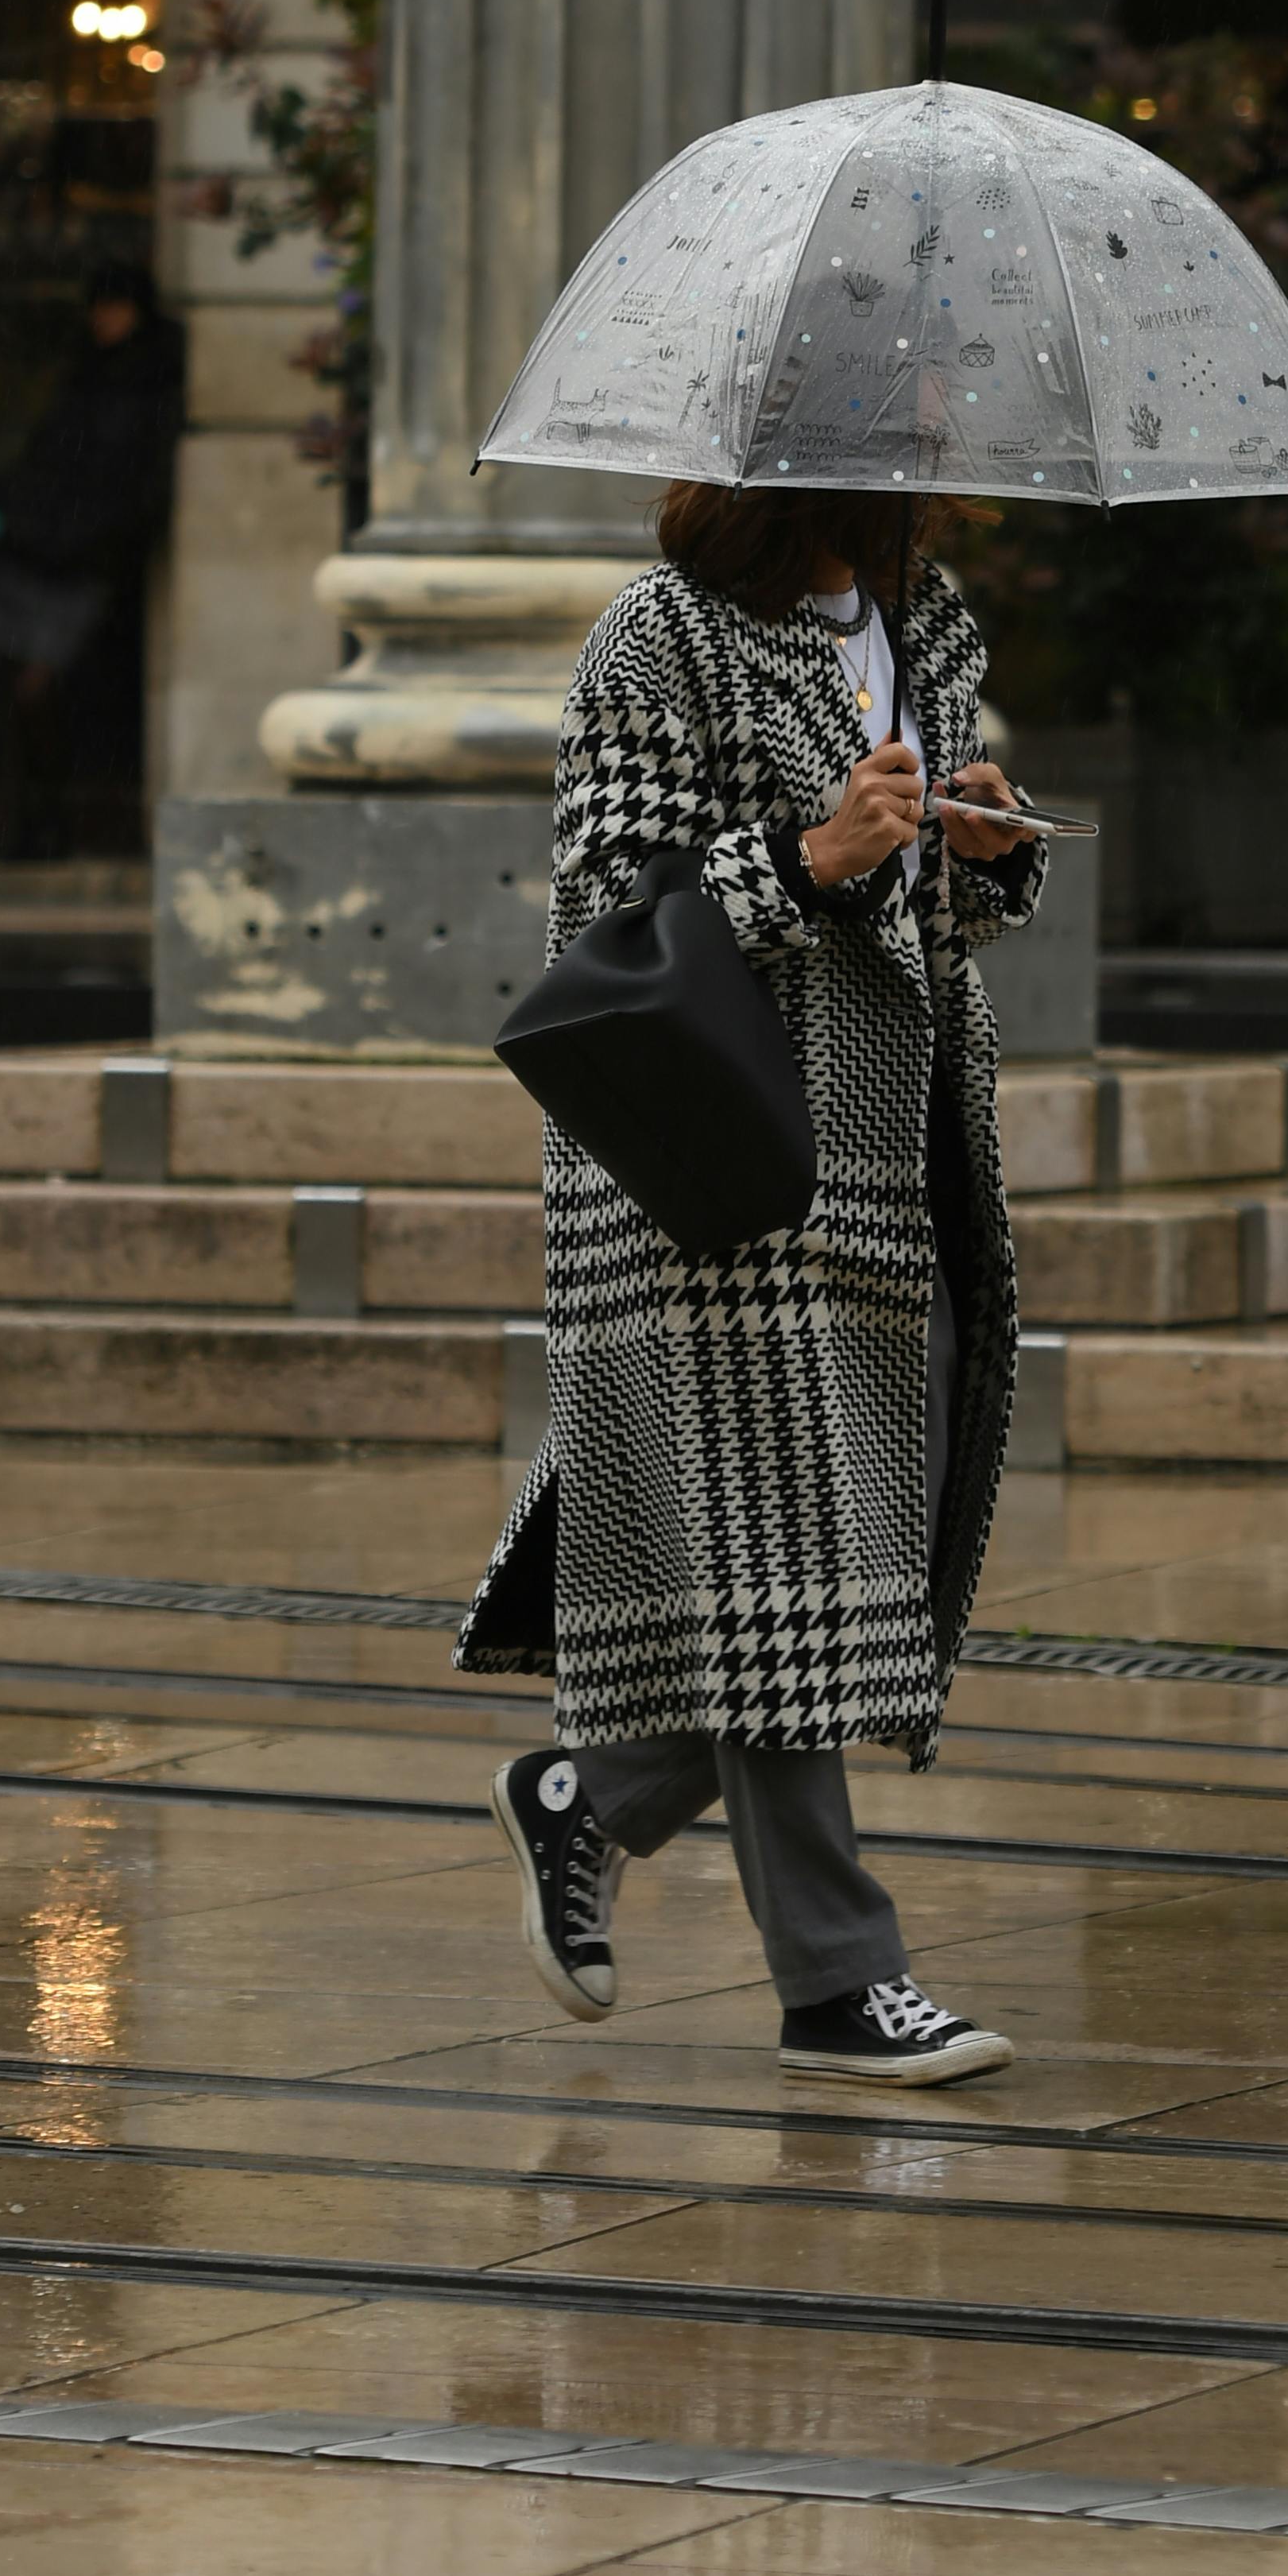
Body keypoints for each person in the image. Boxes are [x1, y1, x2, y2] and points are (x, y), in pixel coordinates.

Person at [460, 480, 1044, 2086]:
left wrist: (973, 855)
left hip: (886, 1154)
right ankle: (838, 1981)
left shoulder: (922, 631)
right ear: (826, 455)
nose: (951, 454)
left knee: (836, 1562)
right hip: (712, 1165)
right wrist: (805, 856)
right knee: (794, 1560)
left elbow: (914, 919)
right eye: (918, 424)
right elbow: (606, 912)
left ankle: (598, 1796)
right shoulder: (660, 640)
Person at [0, 255, 182, 865]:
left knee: (41, 690)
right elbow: (48, 453)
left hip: (83, 558)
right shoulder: (88, 375)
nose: (105, 321)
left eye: (116, 309)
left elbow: (139, 481)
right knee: (22, 694)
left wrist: (92, 538)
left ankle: (49, 820)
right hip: (42, 551)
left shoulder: (149, 379)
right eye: (100, 309)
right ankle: (33, 819)